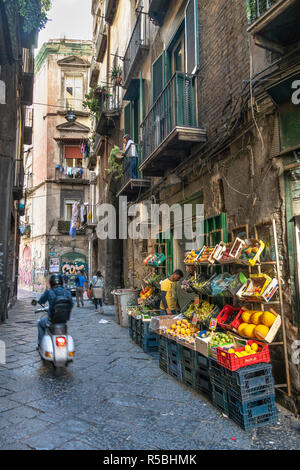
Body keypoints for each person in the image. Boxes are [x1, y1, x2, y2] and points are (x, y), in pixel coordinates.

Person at [37, 274, 73, 347]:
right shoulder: (67, 292)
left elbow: (41, 301)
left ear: (51, 282)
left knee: (40, 323)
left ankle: (40, 344)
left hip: (52, 320)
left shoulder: (49, 292)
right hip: (64, 321)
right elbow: (71, 304)